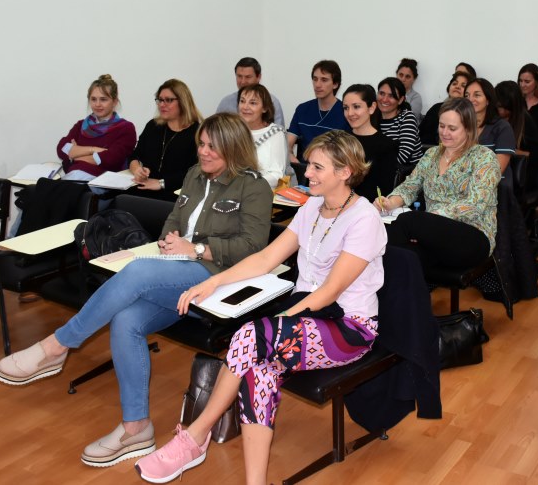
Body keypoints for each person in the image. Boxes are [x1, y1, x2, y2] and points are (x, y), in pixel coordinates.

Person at [0, 113, 272, 468]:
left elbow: (253, 246)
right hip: (176, 274)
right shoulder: (194, 175)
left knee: (137, 271)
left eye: (211, 146)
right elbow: (174, 219)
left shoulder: (253, 186)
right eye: (201, 143)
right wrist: (170, 240)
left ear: (233, 148)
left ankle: (57, 345)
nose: (202, 151)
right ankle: (136, 427)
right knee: (125, 319)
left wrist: (197, 249)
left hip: (216, 280)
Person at [132, 130, 385, 484]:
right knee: (259, 374)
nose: (306, 173)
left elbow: (329, 292)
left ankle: (194, 437)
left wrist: (277, 322)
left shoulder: (364, 219)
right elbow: (266, 257)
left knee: (251, 335)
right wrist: (213, 281)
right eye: (308, 164)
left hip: (348, 328)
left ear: (345, 172)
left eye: (316, 167)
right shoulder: (312, 206)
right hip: (308, 318)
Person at [376, 98, 500, 270]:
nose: (445, 132)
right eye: (442, 126)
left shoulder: (484, 157)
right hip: (431, 234)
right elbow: (410, 186)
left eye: (452, 128)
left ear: (469, 128)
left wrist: (432, 217)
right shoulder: (431, 155)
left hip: (474, 236)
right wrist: (390, 202)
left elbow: (474, 205)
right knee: (400, 255)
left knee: (408, 221)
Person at [128, 79, 202, 201]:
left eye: (168, 100)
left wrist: (162, 183)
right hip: (145, 186)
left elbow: (196, 172)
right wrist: (137, 169)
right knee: (120, 201)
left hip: (176, 193)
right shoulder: (153, 126)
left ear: (183, 102)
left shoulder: (197, 133)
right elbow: (135, 154)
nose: (162, 104)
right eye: (160, 100)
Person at [57, 74, 137, 182]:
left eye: (103, 99)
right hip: (73, 179)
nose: (97, 104)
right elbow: (62, 149)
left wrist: (75, 155)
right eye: (93, 99)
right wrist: (93, 150)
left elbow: (111, 159)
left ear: (114, 102)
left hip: (101, 185)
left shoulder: (126, 128)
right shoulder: (81, 125)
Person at [342, 84, 398, 201]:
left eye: (356, 107)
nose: (350, 113)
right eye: (346, 108)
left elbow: (383, 191)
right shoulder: (340, 141)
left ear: (372, 108)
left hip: (367, 209)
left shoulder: (386, 146)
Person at [287, 60, 350, 163]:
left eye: (324, 80)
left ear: (335, 84)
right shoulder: (302, 109)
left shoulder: (346, 112)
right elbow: (287, 145)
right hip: (304, 171)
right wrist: (295, 164)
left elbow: (347, 154)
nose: (317, 85)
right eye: (315, 79)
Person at [237, 83, 287, 189]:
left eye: (253, 103)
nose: (245, 107)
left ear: (264, 108)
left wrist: (248, 184)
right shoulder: (234, 130)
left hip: (261, 193)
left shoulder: (275, 133)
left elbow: (276, 175)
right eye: (242, 101)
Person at [495, 80, 538, 186]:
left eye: (502, 106)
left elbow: (536, 155)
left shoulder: (526, 122)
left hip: (522, 172)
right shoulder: (494, 119)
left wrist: (511, 151)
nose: (498, 110)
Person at [215, 57, 285, 127]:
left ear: (259, 77)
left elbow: (279, 131)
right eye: (239, 76)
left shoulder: (272, 101)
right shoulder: (226, 102)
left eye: (248, 77)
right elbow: (215, 130)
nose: (243, 81)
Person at [465, 77, 515, 174]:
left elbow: (497, 170)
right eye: (467, 95)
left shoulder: (502, 127)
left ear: (488, 100)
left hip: (493, 183)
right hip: (463, 182)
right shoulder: (460, 125)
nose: (470, 99)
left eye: (477, 95)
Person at [377, 77, 423, 168]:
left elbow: (403, 156)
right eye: (382, 94)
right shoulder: (371, 117)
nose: (385, 99)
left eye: (391, 96)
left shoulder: (407, 118)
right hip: (381, 169)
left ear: (401, 100)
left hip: (408, 174)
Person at [419, 70, 469, 146]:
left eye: (463, 85)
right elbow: (421, 134)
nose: (457, 86)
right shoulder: (436, 108)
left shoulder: (468, 113)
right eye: (454, 83)